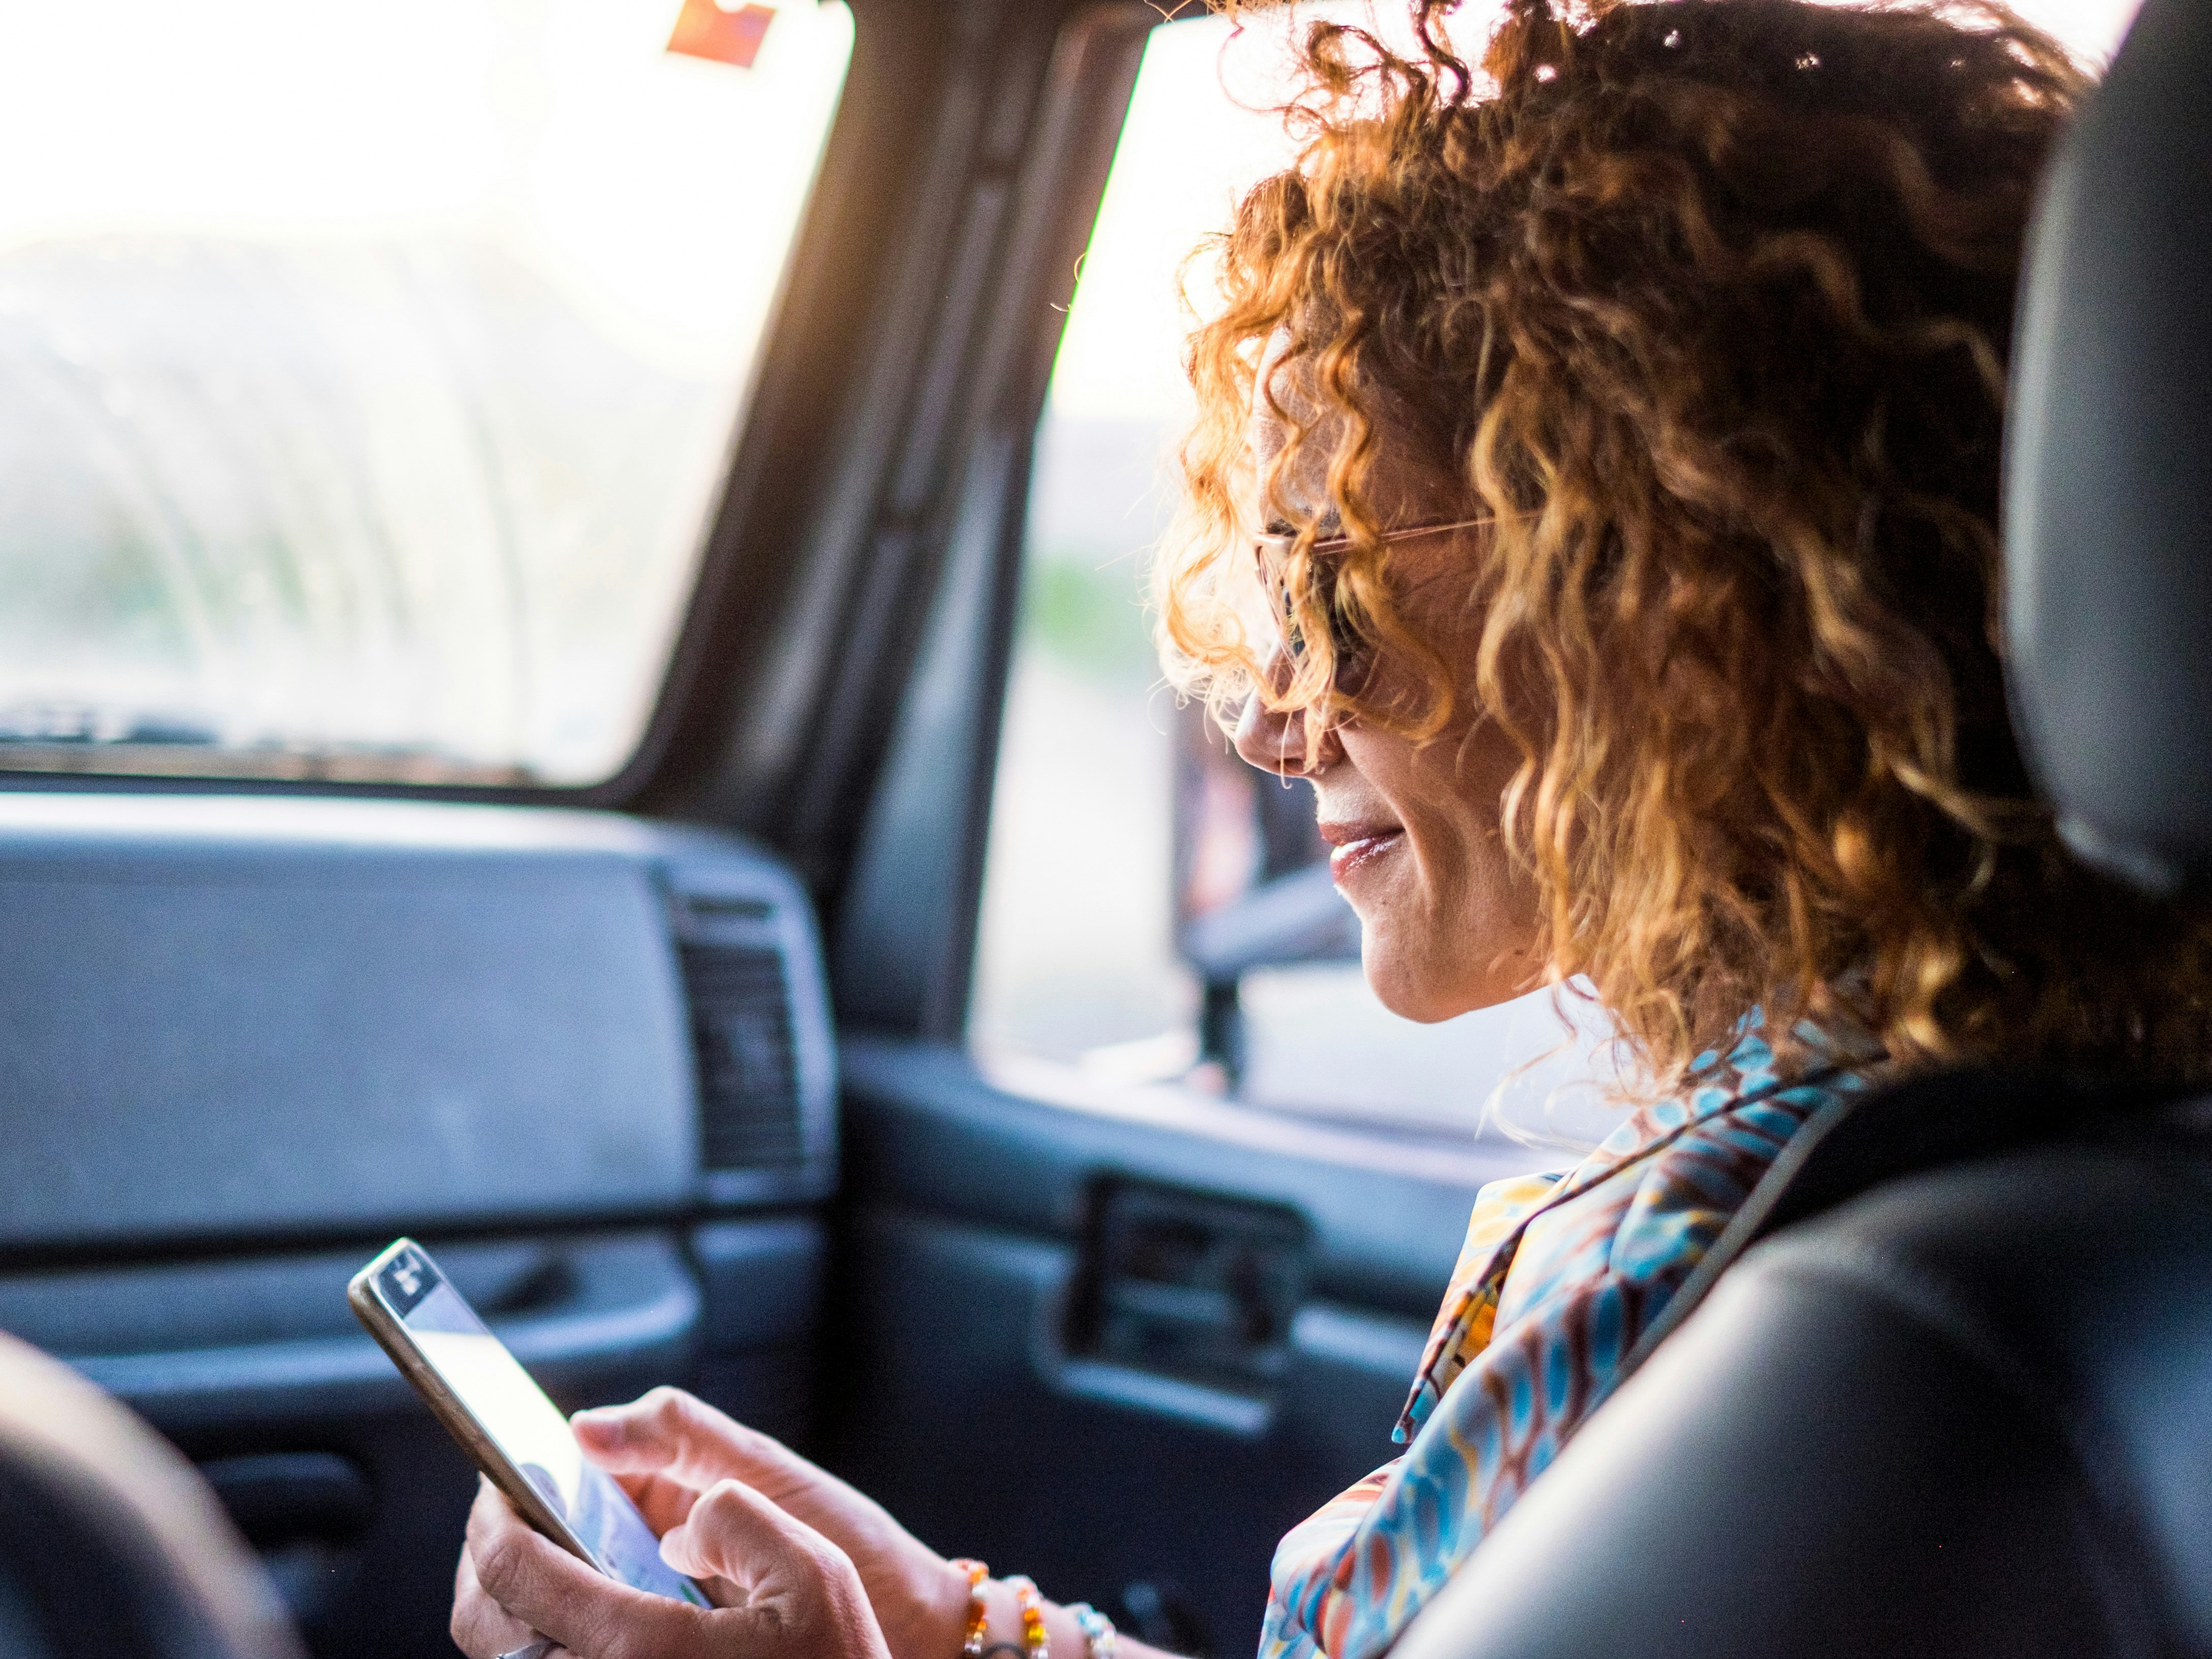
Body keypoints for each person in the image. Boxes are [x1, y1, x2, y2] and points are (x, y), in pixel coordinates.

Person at [452, 2, 2204, 1656]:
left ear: (1681, 604)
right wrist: (943, 1623)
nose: (1275, 716)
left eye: (1333, 591)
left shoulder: (1693, 1296)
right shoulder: (2064, 1171)